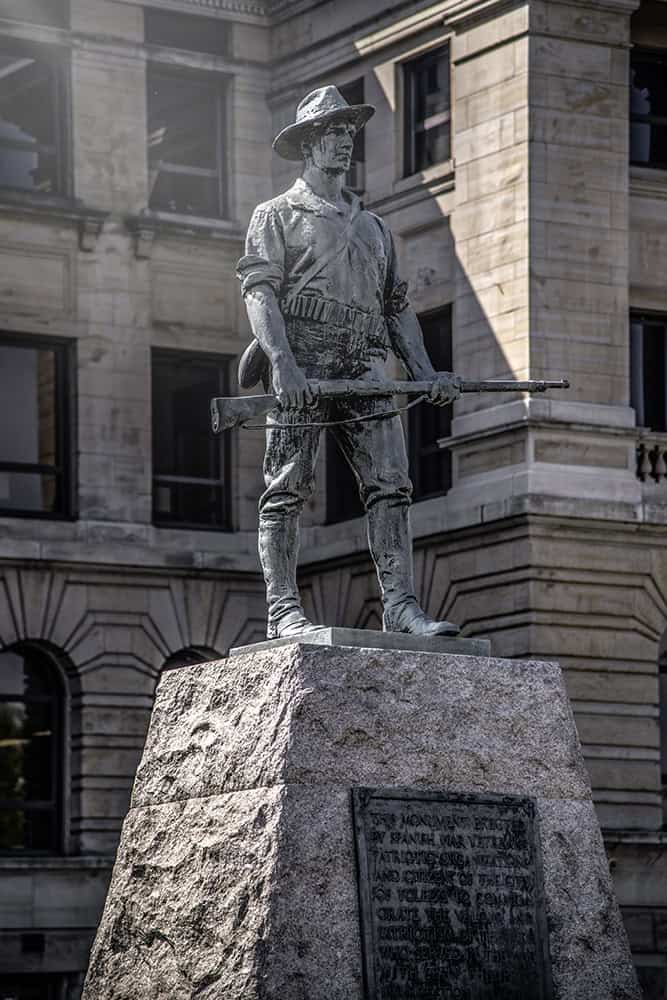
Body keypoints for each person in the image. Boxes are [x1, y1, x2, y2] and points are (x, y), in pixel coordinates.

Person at [237, 86, 461, 639]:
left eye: (348, 134)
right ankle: (283, 609)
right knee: (286, 488)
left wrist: (426, 374)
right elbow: (259, 294)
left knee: (391, 486)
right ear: (310, 145)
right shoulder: (276, 216)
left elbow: (397, 311)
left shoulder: (374, 226)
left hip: (364, 366)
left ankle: (401, 606)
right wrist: (282, 362)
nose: (344, 144)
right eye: (334, 134)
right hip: (305, 366)